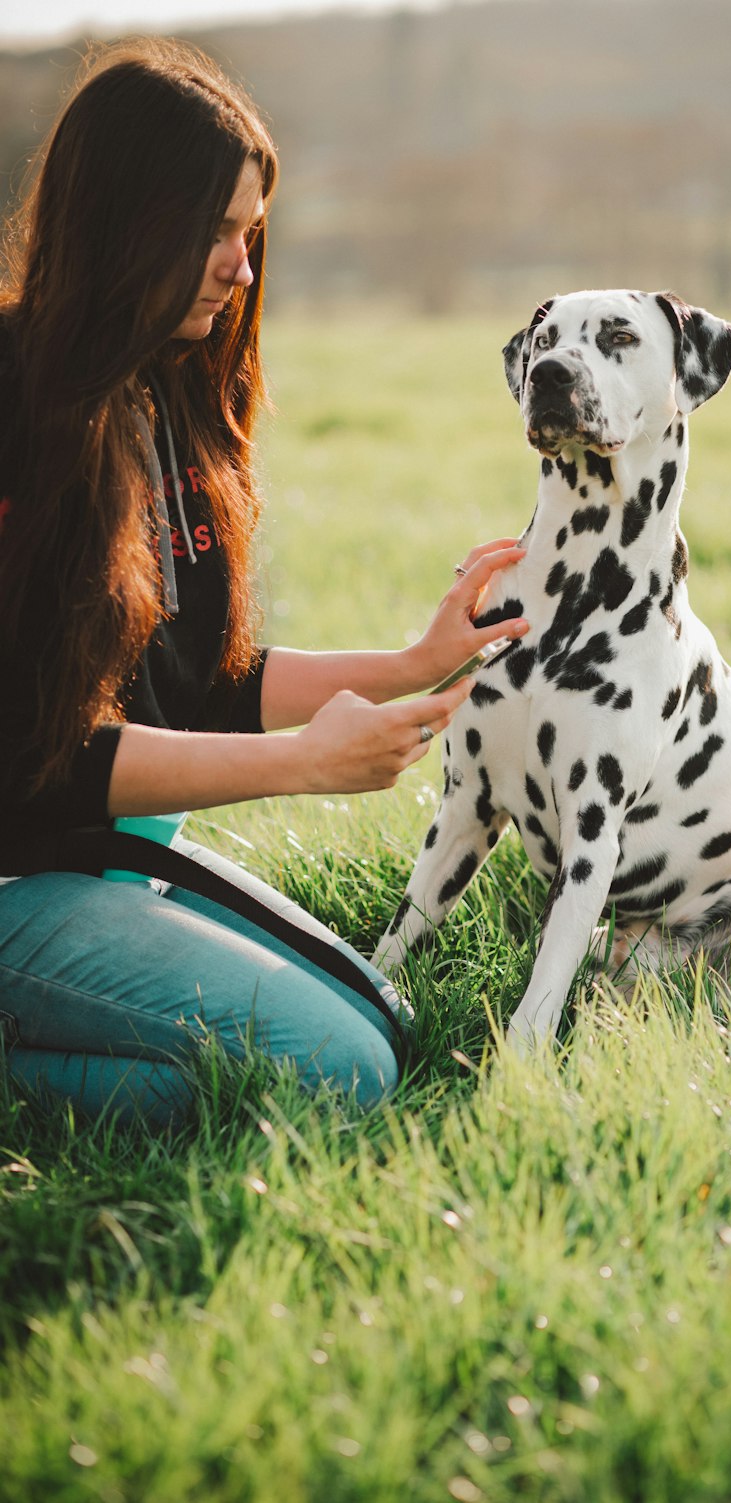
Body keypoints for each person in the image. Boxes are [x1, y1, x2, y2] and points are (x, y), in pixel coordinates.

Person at [0, 38, 528, 1126]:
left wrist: (411, 664)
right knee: (341, 1072)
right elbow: (31, 756)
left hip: (100, 859)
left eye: (251, 233)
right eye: (218, 233)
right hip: (19, 865)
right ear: (129, 222)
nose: (243, 267)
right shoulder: (19, 415)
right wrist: (295, 765)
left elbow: (203, 684)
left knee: (380, 1021)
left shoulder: (164, 399)